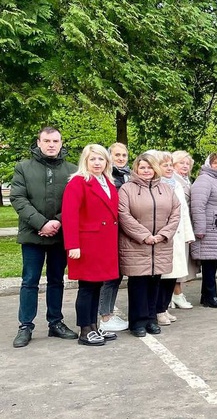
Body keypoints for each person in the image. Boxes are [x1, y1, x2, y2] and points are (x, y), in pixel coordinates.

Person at [11, 126, 79, 348]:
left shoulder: (72, 170)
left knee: (57, 280)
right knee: (29, 281)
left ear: (61, 143)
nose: (51, 145)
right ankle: (25, 326)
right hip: (33, 235)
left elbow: (75, 201)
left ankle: (55, 322)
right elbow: (18, 198)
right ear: (38, 142)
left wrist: (58, 221)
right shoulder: (23, 168)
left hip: (60, 235)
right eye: (47, 141)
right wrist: (41, 223)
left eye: (56, 141)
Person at [61, 144, 120, 346]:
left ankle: (94, 326)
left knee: (97, 286)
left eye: (101, 159)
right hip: (87, 244)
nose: (97, 163)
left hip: (103, 243)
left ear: (106, 162)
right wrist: (73, 245)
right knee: (87, 287)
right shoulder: (78, 182)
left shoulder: (107, 182)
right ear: (85, 161)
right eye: (92, 159)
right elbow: (69, 216)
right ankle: (85, 330)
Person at [117, 153, 181, 337]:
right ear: (136, 169)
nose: (146, 171)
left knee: (155, 283)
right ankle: (137, 321)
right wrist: (144, 236)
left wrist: (163, 235)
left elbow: (176, 212)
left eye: (150, 167)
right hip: (136, 245)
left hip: (160, 245)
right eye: (142, 167)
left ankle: (151, 319)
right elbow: (124, 215)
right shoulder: (127, 189)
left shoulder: (166, 189)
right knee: (138, 284)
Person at [153, 151, 195, 326]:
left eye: (171, 165)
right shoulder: (155, 185)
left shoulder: (176, 185)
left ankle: (163, 308)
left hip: (177, 237)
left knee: (173, 276)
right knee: (162, 277)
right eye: (165, 165)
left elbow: (183, 211)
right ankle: (158, 310)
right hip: (163, 237)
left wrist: (188, 234)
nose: (169, 168)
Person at [190, 153, 217, 308]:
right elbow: (197, 205)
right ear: (208, 164)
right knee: (209, 264)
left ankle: (206, 295)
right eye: (215, 163)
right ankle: (211, 296)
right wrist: (200, 229)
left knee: (213, 263)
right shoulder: (204, 180)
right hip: (209, 229)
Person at [97, 142, 131, 332]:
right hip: (109, 232)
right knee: (109, 276)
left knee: (117, 275)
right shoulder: (106, 177)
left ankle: (108, 311)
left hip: (125, 232)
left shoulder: (128, 176)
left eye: (124, 155)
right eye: (117, 155)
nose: (120, 158)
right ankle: (105, 316)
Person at [171, 150, 196, 309]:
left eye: (187, 163)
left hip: (186, 225)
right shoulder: (172, 180)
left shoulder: (187, 180)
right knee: (176, 262)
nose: (185, 166)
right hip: (176, 228)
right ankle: (176, 294)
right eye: (181, 163)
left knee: (183, 262)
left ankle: (176, 293)